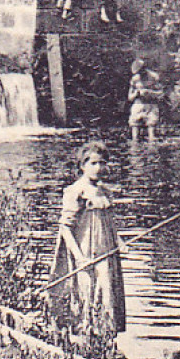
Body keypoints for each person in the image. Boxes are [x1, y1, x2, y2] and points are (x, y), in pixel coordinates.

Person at [49, 141, 126, 336]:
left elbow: (109, 221)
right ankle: (85, 342)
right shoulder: (76, 191)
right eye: (93, 163)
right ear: (82, 166)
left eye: (102, 163)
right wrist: (79, 258)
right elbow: (65, 228)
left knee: (107, 296)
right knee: (87, 297)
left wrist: (119, 241)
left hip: (106, 251)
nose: (98, 168)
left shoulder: (105, 191)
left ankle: (106, 344)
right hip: (86, 254)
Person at [127, 60, 165, 142]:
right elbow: (129, 97)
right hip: (138, 105)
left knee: (151, 130)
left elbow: (161, 93)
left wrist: (150, 92)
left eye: (141, 71)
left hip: (151, 105)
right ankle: (135, 149)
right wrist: (136, 93)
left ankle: (151, 149)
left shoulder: (154, 77)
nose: (140, 74)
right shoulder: (135, 79)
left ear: (144, 69)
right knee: (135, 129)